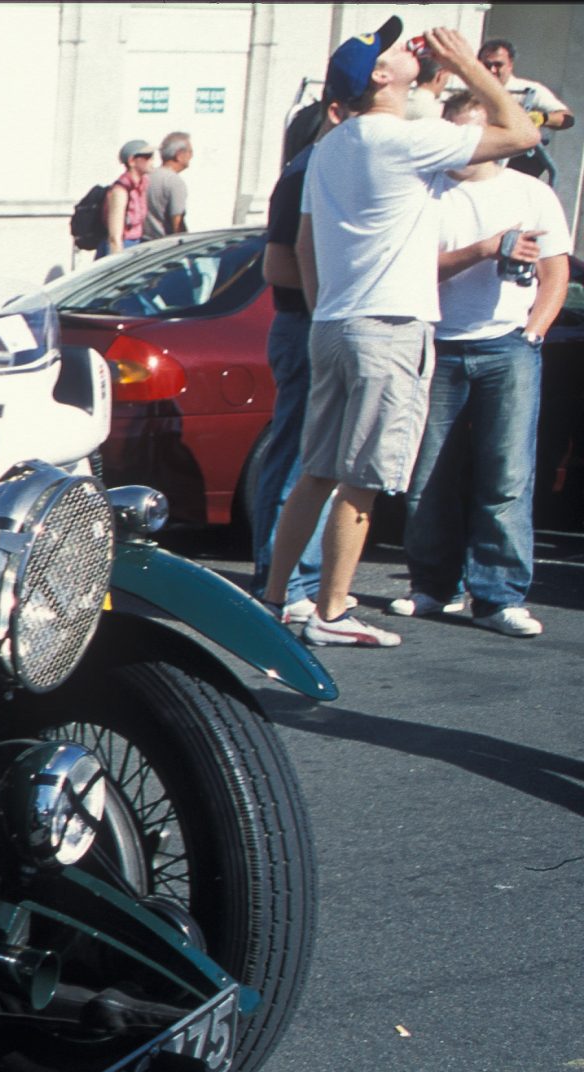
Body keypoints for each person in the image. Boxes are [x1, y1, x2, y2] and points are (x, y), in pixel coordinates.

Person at [256, 21, 539, 649]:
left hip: (333, 322)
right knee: (362, 477)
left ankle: (278, 599)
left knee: (318, 471)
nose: (403, 51)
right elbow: (522, 132)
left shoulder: (331, 145)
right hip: (388, 326)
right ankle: (330, 611)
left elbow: (305, 244)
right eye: (387, 53)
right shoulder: (406, 138)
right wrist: (470, 65)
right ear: (380, 79)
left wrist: (329, 302)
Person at [392, 90, 571, 638]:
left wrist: (534, 332)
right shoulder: (427, 193)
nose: (465, 147)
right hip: (440, 343)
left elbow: (557, 273)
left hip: (508, 346)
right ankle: (431, 586)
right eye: (456, 134)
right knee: (428, 475)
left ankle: (498, 596)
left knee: (507, 475)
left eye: (474, 134)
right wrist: (485, 249)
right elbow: (417, 269)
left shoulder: (531, 193)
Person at [249, 97, 352, 625]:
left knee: (310, 458)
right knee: (297, 457)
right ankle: (282, 581)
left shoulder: (317, 169)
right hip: (304, 324)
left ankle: (292, 579)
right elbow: (277, 265)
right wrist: (332, 295)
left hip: (313, 322)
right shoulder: (306, 172)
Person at [480, 38, 571, 184]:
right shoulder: (469, 92)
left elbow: (567, 118)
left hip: (518, 162)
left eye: (498, 65)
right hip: (481, 159)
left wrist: (541, 118)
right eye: (487, 65)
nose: (492, 70)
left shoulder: (528, 90)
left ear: (510, 65)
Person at [101, 140, 155, 258]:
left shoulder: (142, 186)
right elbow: (115, 237)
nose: (152, 161)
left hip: (136, 245)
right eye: (147, 157)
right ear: (132, 161)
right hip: (121, 248)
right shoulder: (120, 191)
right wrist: (118, 263)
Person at [145, 133, 193, 237]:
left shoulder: (147, 176)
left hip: (143, 244)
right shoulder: (174, 181)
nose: (191, 156)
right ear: (179, 155)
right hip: (164, 245)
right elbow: (177, 222)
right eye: (190, 152)